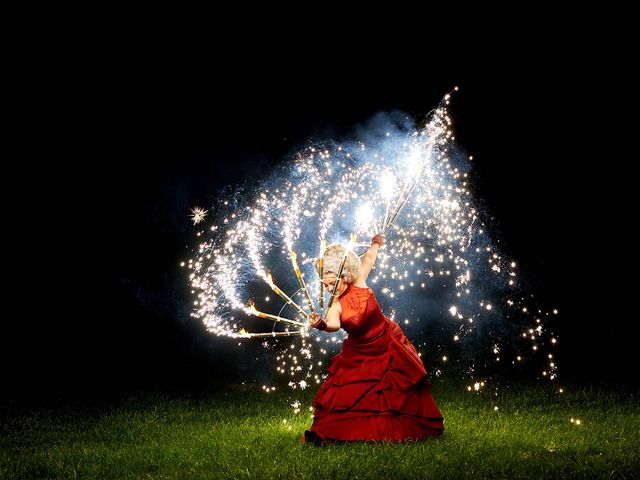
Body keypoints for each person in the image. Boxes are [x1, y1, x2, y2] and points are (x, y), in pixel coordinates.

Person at [301, 234, 444, 445]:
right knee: (349, 396)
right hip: (360, 353)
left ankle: (398, 429)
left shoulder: (359, 280)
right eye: (326, 285)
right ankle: (328, 435)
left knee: (394, 392)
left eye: (332, 283)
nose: (330, 289)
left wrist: (375, 244)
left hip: (387, 341)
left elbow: (368, 259)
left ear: (344, 274)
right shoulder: (334, 305)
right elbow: (333, 325)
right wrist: (320, 324)